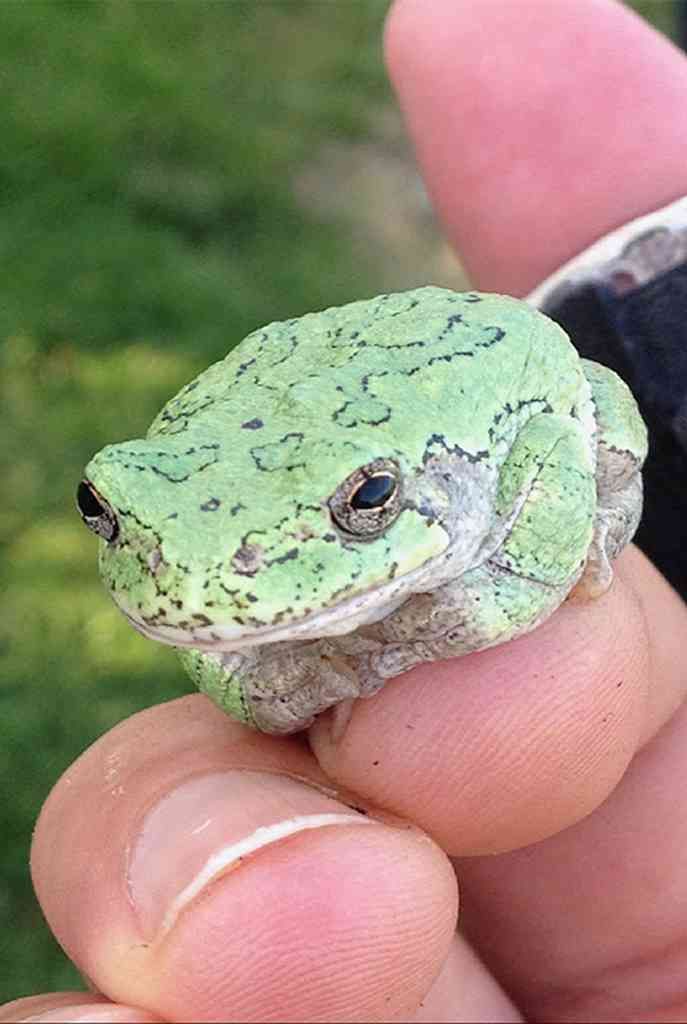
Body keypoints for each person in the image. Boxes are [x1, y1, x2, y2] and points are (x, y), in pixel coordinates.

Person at [4, 1, 687, 1020]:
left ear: (382, 493)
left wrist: (508, 586)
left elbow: (554, 430)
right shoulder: (200, 562)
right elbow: (231, 658)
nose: (190, 589)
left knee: (604, 432)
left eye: (363, 505)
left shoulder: (451, 466)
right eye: (109, 516)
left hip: (506, 403)